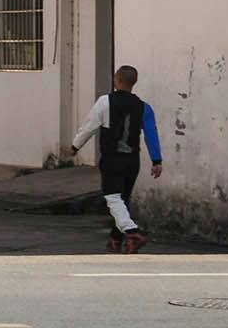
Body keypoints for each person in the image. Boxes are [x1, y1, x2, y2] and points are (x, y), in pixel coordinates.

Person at [70, 64, 164, 250]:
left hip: (112, 159)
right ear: (133, 83)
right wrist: (156, 160)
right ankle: (116, 239)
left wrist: (75, 146)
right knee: (123, 200)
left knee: (113, 198)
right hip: (132, 161)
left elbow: (89, 127)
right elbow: (151, 134)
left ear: (116, 79)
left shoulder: (105, 102)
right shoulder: (144, 107)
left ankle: (132, 232)